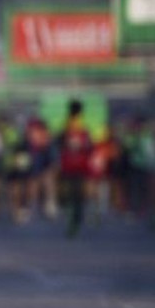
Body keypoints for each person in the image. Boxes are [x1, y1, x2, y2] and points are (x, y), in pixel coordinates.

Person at [56, 99, 94, 238]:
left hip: (69, 165)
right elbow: (90, 146)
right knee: (77, 195)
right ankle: (76, 218)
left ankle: (73, 218)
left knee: (70, 194)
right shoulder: (83, 127)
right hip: (80, 165)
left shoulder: (66, 126)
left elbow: (59, 143)